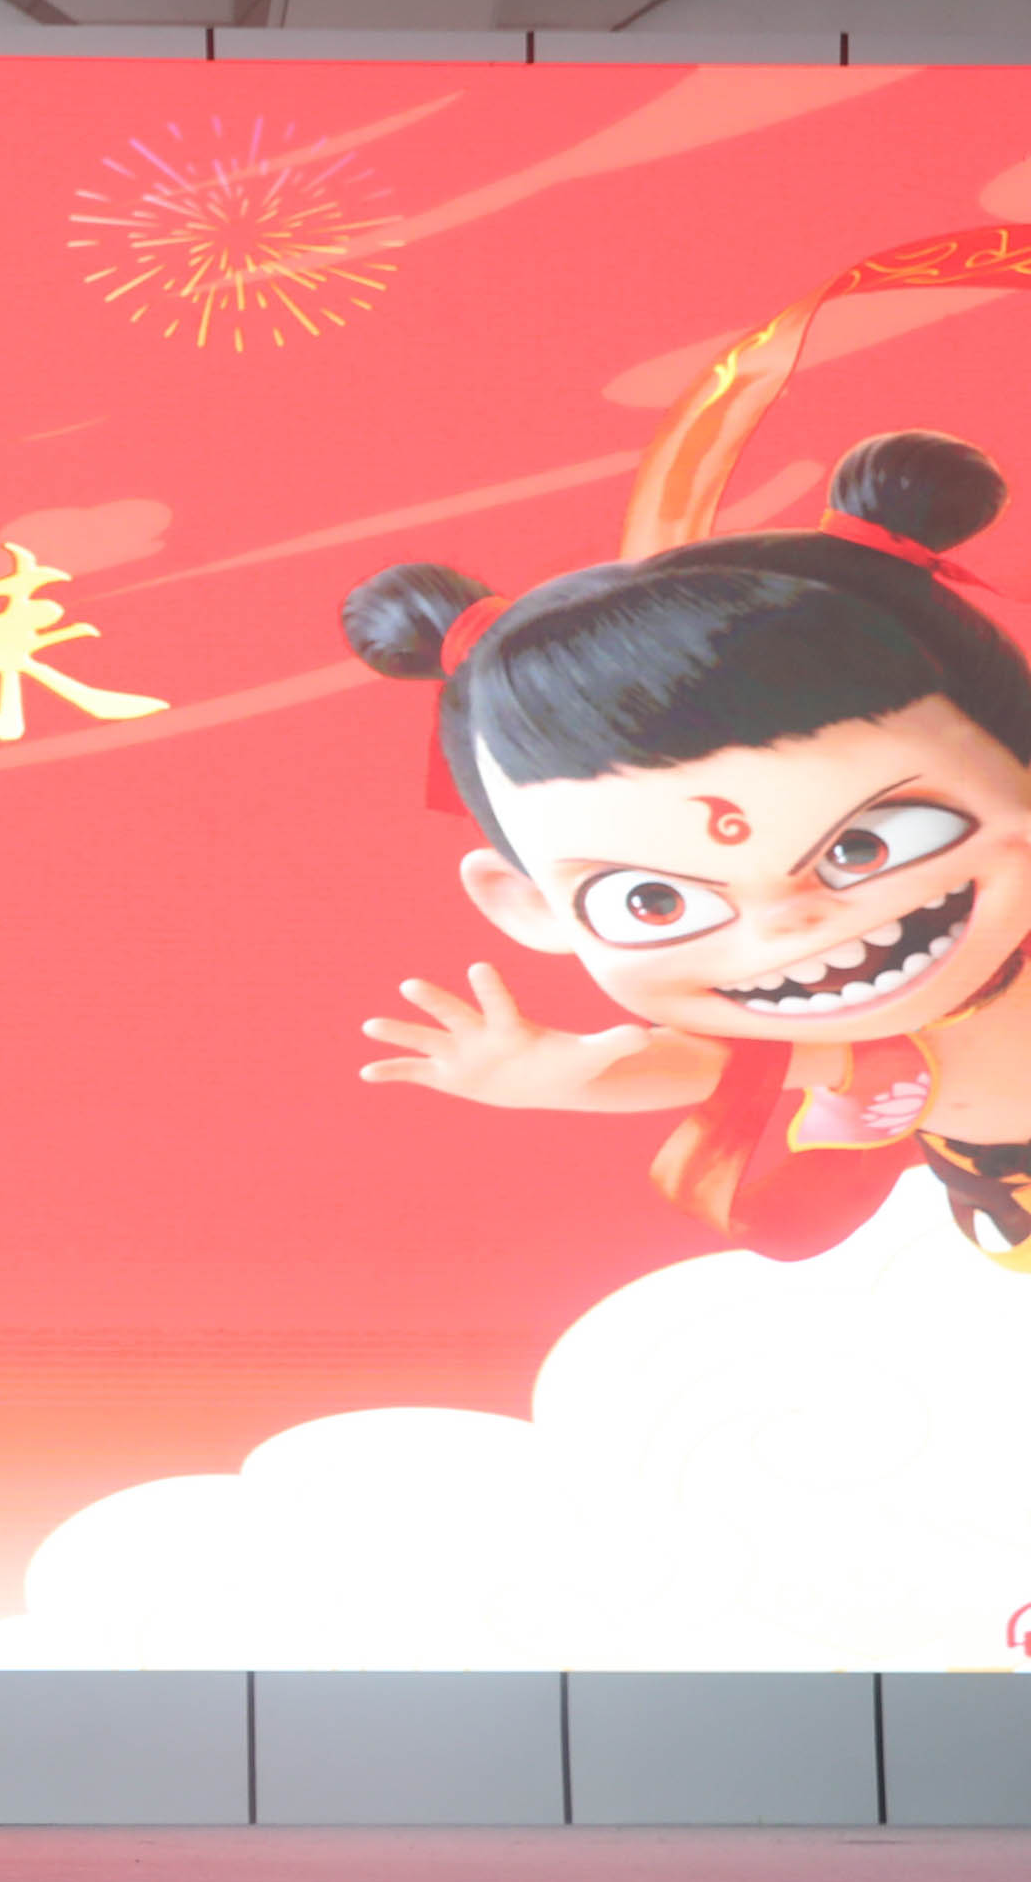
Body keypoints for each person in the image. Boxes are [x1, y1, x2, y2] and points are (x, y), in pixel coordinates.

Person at [347, 429, 1031, 1264]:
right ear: (526, 906)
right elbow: (697, 1066)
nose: (790, 921)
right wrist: (554, 1077)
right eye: (656, 900)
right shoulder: (869, 1049)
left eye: (866, 845)